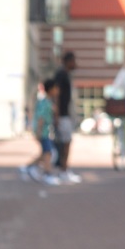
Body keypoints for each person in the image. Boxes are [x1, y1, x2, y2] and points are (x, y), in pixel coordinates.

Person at [20, 79, 62, 185]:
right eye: (56, 88)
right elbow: (41, 118)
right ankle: (47, 174)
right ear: (51, 89)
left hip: (44, 131)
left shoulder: (46, 101)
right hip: (43, 132)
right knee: (48, 153)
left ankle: (28, 167)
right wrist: (38, 132)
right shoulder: (45, 102)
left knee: (46, 153)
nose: (58, 91)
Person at [52, 51, 81, 183]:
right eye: (74, 61)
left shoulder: (66, 75)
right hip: (63, 115)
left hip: (65, 114)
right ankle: (63, 170)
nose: (76, 64)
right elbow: (56, 94)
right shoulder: (61, 74)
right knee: (65, 142)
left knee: (65, 142)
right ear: (68, 61)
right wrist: (57, 114)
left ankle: (63, 169)